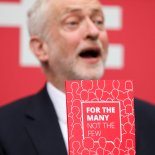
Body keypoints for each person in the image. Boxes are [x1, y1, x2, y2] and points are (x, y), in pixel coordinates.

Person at [0, 0, 155, 154]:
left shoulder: (150, 121)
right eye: (73, 22)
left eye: (98, 21)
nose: (93, 32)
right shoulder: (5, 127)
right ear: (40, 48)